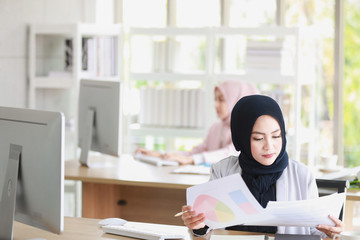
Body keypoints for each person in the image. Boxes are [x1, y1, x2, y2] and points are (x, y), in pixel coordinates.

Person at [181, 95, 345, 238]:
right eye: (258, 138)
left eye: (276, 136)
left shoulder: (302, 175)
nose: (269, 146)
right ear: (242, 139)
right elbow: (209, 226)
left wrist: (330, 232)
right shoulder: (222, 171)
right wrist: (199, 226)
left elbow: (315, 232)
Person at [135, 80, 259, 165]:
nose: (215, 104)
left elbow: (232, 154)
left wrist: (191, 160)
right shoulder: (216, 128)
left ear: (237, 100)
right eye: (215, 99)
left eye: (221, 100)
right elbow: (194, 153)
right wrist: (160, 154)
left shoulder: (247, 130)